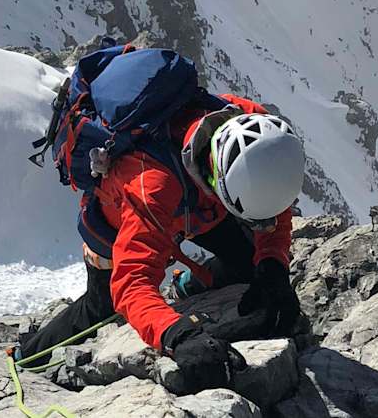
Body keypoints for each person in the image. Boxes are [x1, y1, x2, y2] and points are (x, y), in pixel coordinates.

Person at [21, 96, 304, 391]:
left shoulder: (259, 132)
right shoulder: (152, 186)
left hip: (195, 207)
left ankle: (189, 285)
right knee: (100, 307)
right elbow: (131, 285)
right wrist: (177, 334)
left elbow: (274, 205)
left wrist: (273, 262)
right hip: (114, 228)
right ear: (217, 181)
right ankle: (27, 354)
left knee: (252, 267)